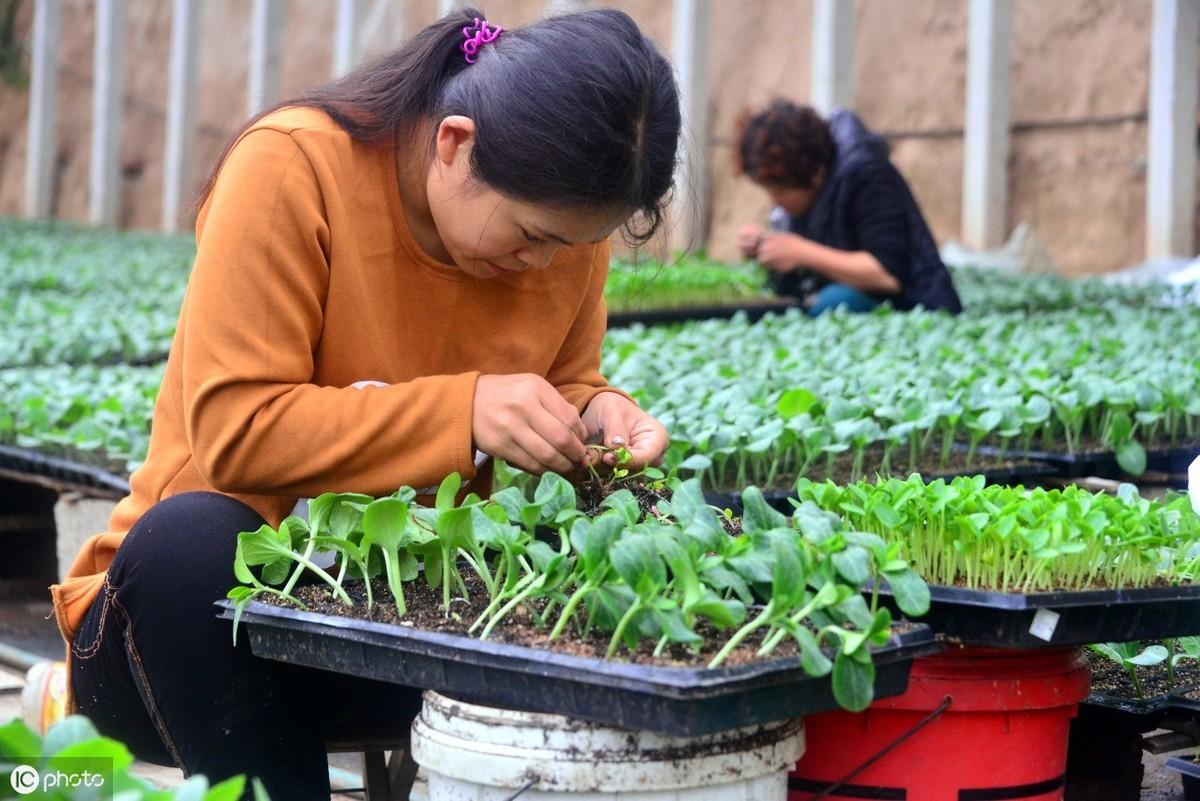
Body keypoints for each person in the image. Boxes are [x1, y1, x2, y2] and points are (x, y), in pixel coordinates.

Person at [48, 9, 679, 799]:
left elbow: (565, 380)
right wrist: (464, 412)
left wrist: (594, 414)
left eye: (568, 245)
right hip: (199, 634)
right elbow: (235, 432)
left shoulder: (564, 238)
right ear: (455, 144)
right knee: (193, 539)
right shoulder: (292, 166)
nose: (543, 263)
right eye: (529, 235)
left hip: (410, 624)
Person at [735, 100, 962, 315]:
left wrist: (800, 252)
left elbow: (888, 274)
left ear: (814, 175)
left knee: (835, 302)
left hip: (916, 307)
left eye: (779, 191)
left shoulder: (866, 174)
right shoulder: (811, 186)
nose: (775, 202)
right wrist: (763, 246)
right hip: (859, 302)